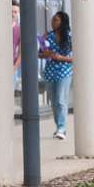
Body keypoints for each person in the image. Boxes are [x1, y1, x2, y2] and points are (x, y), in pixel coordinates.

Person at [40, 11, 73, 140]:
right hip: (50, 72)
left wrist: (61, 57)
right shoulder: (47, 36)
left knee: (60, 100)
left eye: (56, 20)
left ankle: (61, 128)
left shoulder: (69, 38)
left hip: (64, 72)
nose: (53, 22)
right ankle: (59, 127)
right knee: (53, 102)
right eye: (53, 20)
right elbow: (39, 54)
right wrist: (47, 54)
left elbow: (76, 58)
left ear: (62, 22)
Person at [11, 0, 21, 90]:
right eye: (11, 11)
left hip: (11, 66)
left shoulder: (19, 30)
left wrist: (14, 67)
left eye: (15, 12)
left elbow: (22, 52)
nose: (13, 14)